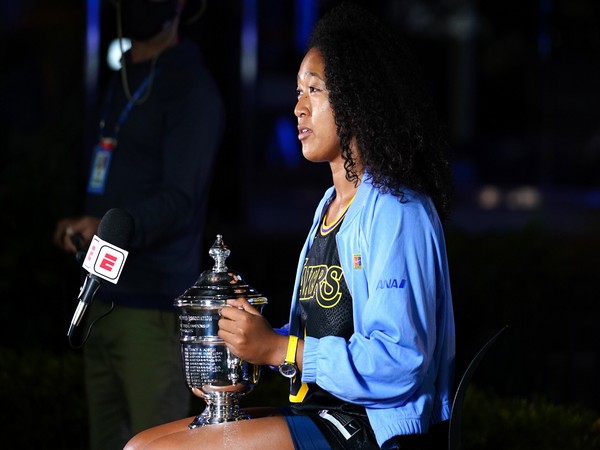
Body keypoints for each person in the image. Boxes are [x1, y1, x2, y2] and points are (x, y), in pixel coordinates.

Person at [124, 2, 454, 449]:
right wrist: (244, 344)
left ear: (357, 101)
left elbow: (400, 361)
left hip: (370, 430)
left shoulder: (396, 209)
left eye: (313, 90)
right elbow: (313, 341)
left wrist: (283, 350)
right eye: (298, 90)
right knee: (141, 444)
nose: (297, 107)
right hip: (320, 413)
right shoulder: (329, 207)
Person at [53, 0, 224, 448]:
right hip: (101, 298)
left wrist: (110, 226)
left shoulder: (191, 87)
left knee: (155, 443)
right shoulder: (123, 76)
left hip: (152, 309)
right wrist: (84, 224)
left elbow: (180, 200)